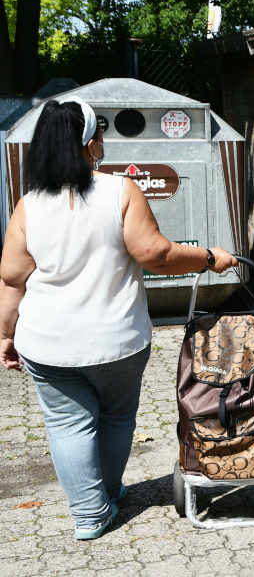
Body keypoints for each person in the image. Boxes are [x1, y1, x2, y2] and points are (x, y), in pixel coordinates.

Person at [0, 98, 238, 540]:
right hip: (117, 340)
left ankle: (91, 513)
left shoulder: (28, 206)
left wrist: (5, 336)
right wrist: (210, 257)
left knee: (68, 424)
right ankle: (104, 496)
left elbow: (12, 279)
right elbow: (156, 254)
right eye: (101, 137)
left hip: (46, 341)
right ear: (90, 144)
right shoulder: (119, 191)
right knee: (114, 417)